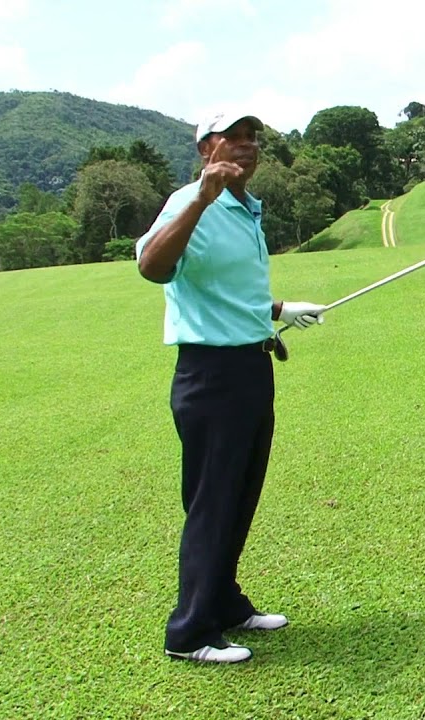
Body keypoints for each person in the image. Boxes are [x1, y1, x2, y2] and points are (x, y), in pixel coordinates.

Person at [135, 109, 327, 664]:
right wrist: (201, 197)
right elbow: (152, 267)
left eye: (252, 139)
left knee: (239, 496)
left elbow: (221, 290)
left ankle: (224, 601)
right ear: (205, 149)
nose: (246, 147)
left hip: (250, 367)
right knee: (212, 503)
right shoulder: (187, 202)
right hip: (210, 375)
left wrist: (280, 308)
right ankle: (189, 633)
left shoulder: (246, 209)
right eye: (232, 139)